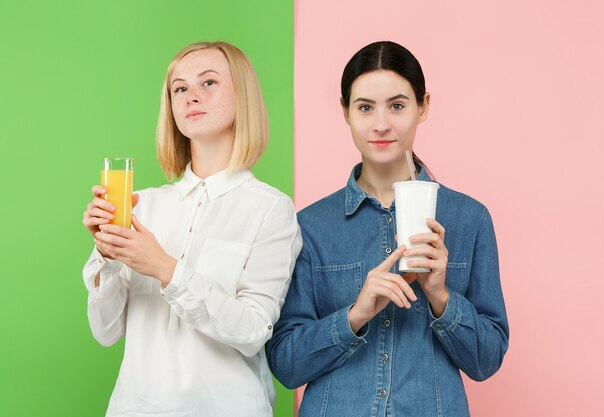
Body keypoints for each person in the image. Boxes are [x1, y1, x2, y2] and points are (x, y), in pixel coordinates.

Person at [267, 41, 509, 417]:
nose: (381, 124)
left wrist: (440, 295)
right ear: (345, 111)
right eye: (365, 107)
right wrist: (354, 315)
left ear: (423, 106)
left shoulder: (469, 219)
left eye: (397, 106)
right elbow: (286, 363)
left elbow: (487, 361)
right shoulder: (311, 226)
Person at [82, 41, 302, 417]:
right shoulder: (141, 205)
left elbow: (252, 330)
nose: (190, 97)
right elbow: (105, 332)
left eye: (209, 83)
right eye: (179, 88)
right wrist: (107, 256)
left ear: (242, 96)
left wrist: (165, 269)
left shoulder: (270, 209)